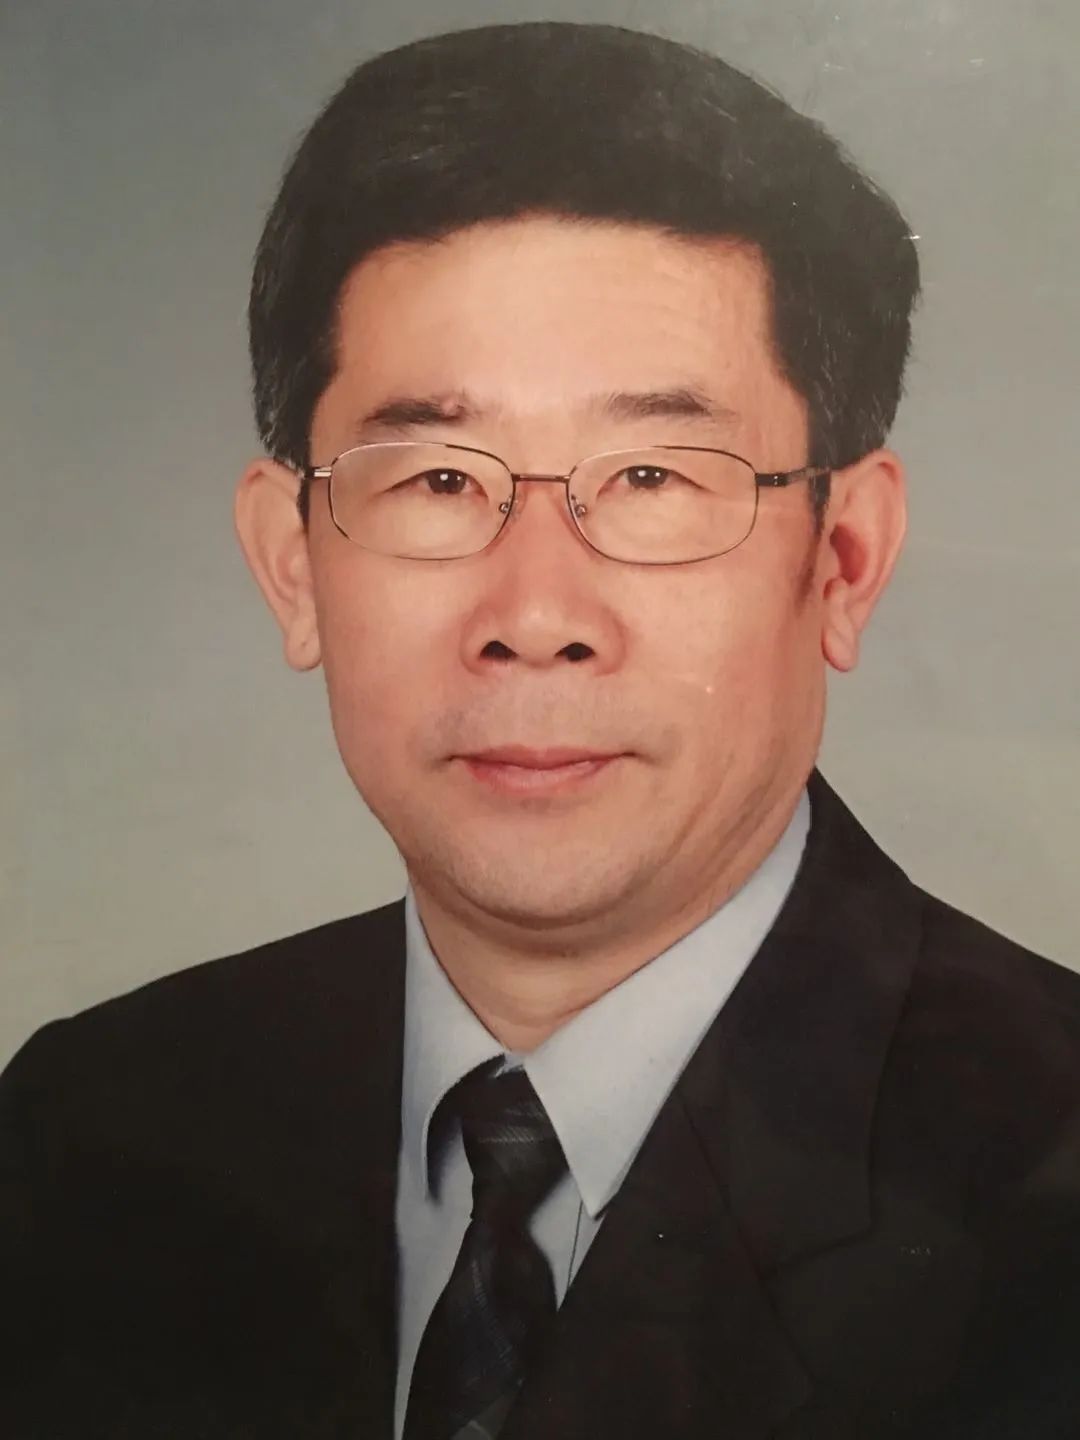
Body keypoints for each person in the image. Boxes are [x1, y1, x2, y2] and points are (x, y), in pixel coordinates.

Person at [2, 20, 1078, 1440]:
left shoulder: (1050, 1198)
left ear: (844, 559)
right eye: (438, 480)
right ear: (292, 564)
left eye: (654, 477)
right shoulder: (87, 1133)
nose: (536, 615)